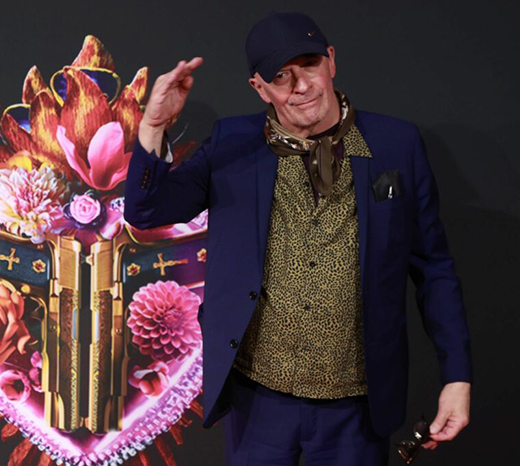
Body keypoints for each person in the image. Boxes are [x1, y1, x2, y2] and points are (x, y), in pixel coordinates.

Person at [123, 11, 471, 466]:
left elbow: (434, 269)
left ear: (331, 60)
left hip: (356, 407)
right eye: (281, 76)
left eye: (309, 64)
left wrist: (457, 376)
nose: (302, 85)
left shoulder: (395, 145)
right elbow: (147, 211)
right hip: (258, 401)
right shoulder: (232, 143)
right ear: (259, 88)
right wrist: (153, 126)